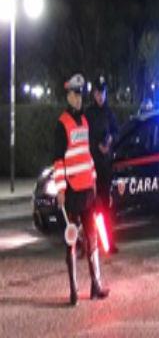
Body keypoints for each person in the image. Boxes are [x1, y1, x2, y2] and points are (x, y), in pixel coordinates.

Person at [53, 74, 109, 306]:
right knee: (72, 239)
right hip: (73, 190)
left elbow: (87, 155)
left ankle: (95, 285)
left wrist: (94, 179)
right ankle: (74, 291)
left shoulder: (84, 122)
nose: (78, 99)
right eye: (75, 95)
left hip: (87, 189)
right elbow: (58, 160)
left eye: (80, 95)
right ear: (68, 96)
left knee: (92, 237)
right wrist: (60, 189)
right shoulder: (61, 124)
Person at [85, 76, 119, 254]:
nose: (101, 96)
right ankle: (89, 243)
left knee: (106, 206)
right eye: (98, 93)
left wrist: (110, 140)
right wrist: (96, 145)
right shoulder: (88, 113)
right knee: (89, 207)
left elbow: (116, 131)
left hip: (105, 166)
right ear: (94, 94)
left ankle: (109, 242)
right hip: (92, 167)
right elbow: (84, 136)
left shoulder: (109, 113)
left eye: (103, 93)